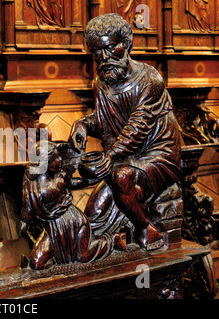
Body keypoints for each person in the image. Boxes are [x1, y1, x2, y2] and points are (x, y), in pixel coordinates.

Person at [69, 13, 182, 250]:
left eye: (111, 49)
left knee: (120, 178)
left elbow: (137, 126)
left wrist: (109, 157)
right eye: (97, 53)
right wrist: (82, 125)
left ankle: (144, 229)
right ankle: (98, 246)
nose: (104, 58)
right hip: (126, 157)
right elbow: (104, 123)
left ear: (126, 45)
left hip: (159, 154)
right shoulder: (101, 83)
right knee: (94, 211)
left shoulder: (150, 79)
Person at [21, 141, 125, 269]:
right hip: (52, 228)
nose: (60, 161)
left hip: (74, 222)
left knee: (83, 256)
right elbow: (27, 205)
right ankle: (59, 266)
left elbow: (73, 183)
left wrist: (91, 180)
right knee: (36, 263)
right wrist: (24, 222)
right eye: (56, 158)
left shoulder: (59, 177)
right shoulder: (32, 185)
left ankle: (112, 241)